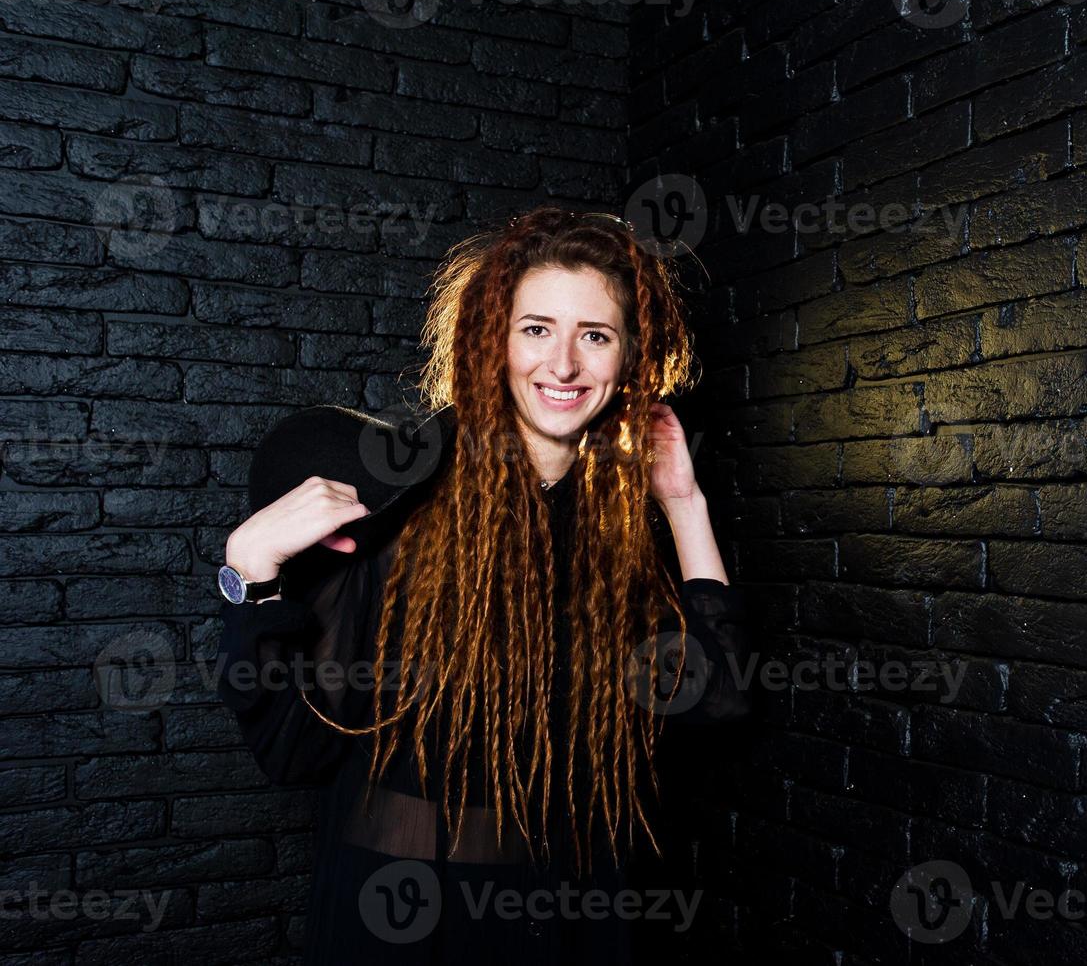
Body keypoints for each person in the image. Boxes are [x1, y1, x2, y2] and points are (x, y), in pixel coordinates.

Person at [215, 206, 753, 964]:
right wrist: (249, 573)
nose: (562, 364)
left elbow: (716, 703)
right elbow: (293, 753)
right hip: (405, 923)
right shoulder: (399, 516)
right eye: (535, 329)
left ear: (629, 358)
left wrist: (683, 505)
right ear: (491, 341)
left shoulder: (618, 532)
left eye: (593, 336)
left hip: (577, 920)